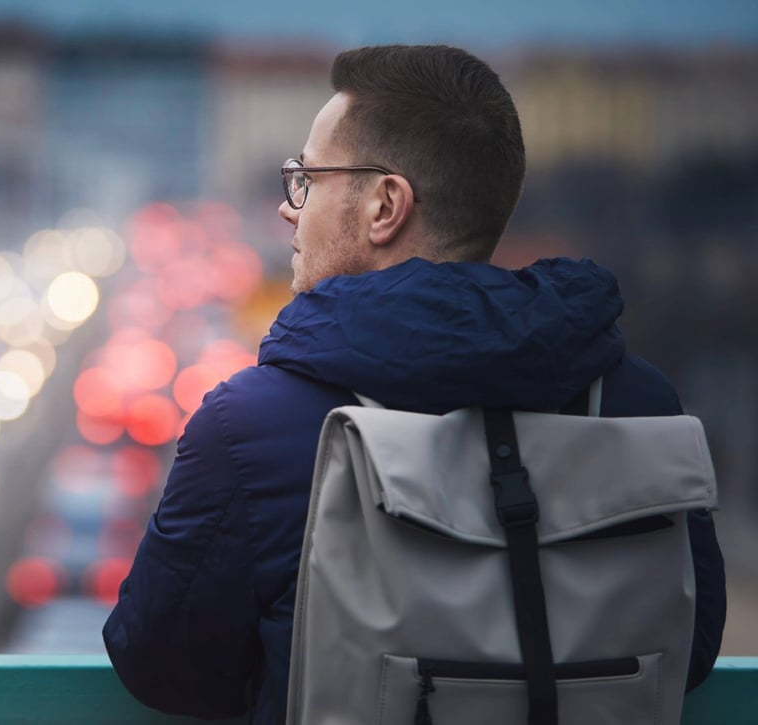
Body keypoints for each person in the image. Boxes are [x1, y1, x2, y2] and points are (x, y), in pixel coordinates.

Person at [102, 44, 727, 724]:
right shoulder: (636, 404)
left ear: (385, 205)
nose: (288, 208)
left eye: (307, 179)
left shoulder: (252, 425)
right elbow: (688, 648)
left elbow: (159, 665)